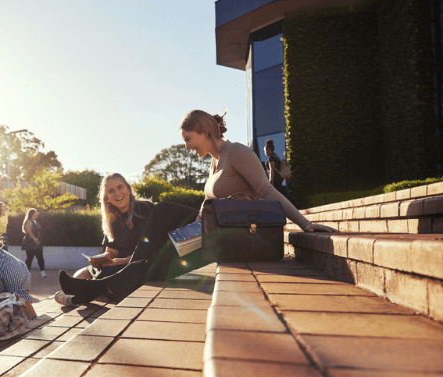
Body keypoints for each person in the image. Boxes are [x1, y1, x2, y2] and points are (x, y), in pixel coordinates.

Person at [56, 109, 337, 306]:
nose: (187, 146)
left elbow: (267, 190)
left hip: (233, 234)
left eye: (189, 139)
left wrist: (304, 223)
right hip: (207, 231)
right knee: (156, 261)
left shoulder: (237, 152)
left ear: (204, 132)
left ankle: (99, 284)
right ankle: (94, 288)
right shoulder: (215, 161)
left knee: (162, 211)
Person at [69, 173, 153, 282]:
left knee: (102, 278)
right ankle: (75, 293)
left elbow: (149, 250)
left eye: (120, 187)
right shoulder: (113, 218)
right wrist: (100, 259)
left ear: (128, 188)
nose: (117, 193)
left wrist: (122, 261)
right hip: (117, 265)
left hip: (139, 264)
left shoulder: (144, 209)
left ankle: (74, 296)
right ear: (106, 197)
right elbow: (112, 253)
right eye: (111, 191)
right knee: (79, 276)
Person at [21, 208, 47, 278]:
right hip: (30, 243)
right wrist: (35, 240)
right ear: (32, 214)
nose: (37, 214)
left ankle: (42, 272)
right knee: (30, 258)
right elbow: (29, 232)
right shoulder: (28, 222)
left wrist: (38, 240)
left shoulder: (35, 221)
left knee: (40, 257)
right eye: (36, 212)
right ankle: (26, 273)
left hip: (37, 243)